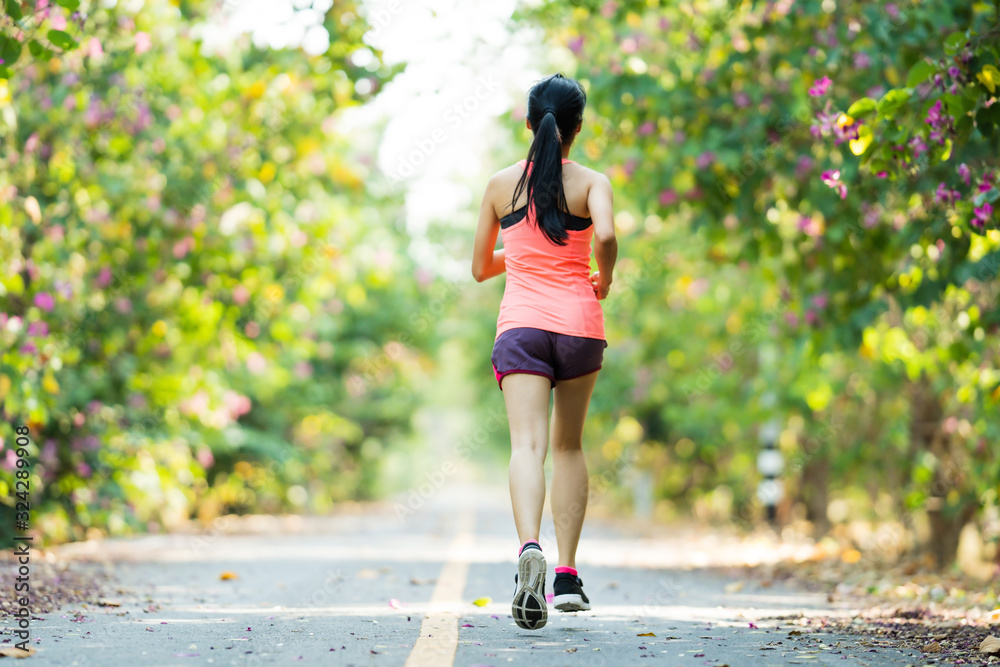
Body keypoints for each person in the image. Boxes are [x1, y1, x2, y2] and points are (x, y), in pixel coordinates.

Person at [471, 73, 617, 630]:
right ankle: (567, 575)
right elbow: (603, 237)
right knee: (570, 448)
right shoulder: (592, 183)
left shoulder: (499, 185)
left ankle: (528, 546)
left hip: (522, 330)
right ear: (577, 127)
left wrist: (523, 252)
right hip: (580, 327)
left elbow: (482, 268)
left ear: (530, 123)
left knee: (526, 448)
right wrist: (604, 275)